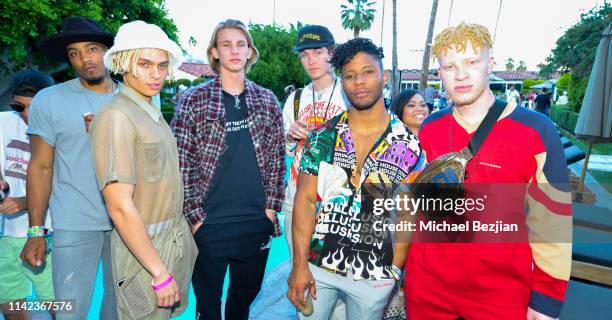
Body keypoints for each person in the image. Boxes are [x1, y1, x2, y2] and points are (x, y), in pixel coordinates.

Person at [405, 22, 572, 320]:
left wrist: (546, 301)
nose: (461, 74)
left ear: (489, 64)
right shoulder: (430, 128)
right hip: (426, 286)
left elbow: (552, 222)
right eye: (449, 66)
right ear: (439, 73)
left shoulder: (535, 130)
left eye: (472, 62)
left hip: (499, 296)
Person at [287, 38, 425, 320]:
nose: (359, 82)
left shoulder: (410, 146)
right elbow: (305, 199)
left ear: (383, 76)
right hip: (319, 262)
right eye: (350, 76)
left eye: (368, 72)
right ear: (342, 81)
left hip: (375, 272)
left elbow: (408, 216)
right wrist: (299, 265)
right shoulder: (323, 136)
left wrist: (394, 270)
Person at [173, 19, 285, 320]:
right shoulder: (193, 100)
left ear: (250, 52)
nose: (234, 51)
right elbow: (182, 163)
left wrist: (270, 212)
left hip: (255, 222)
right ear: (215, 52)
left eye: (241, 44)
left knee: (241, 306)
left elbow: (277, 160)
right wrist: (196, 220)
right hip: (209, 224)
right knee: (207, 309)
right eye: (226, 44)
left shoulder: (267, 100)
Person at [89, 21, 198, 320]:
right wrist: (160, 272)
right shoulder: (117, 116)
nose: (156, 74)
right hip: (144, 257)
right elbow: (120, 206)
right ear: (124, 64)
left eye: (162, 66)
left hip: (168, 243)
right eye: (145, 64)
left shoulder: (149, 111)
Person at [21, 16, 119, 320]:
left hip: (128, 223)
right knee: (69, 313)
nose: (84, 59)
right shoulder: (49, 100)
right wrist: (36, 230)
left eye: (92, 49)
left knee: (122, 311)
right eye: (74, 53)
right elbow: (40, 167)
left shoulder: (136, 98)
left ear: (108, 51)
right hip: (74, 221)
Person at [282, 24, 349, 255]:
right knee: (298, 268)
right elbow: (288, 151)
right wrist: (290, 136)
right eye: (304, 55)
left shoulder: (349, 94)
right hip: (298, 196)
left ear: (332, 53)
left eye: (318, 53)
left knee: (335, 270)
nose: (311, 60)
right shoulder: (296, 99)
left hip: (337, 199)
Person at [0, 71, 54, 320]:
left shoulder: (61, 130)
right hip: (5, 235)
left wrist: (24, 202)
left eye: (33, 107)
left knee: (59, 304)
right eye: (18, 106)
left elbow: (69, 184)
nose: (25, 113)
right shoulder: (3, 122)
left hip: (45, 233)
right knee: (10, 301)